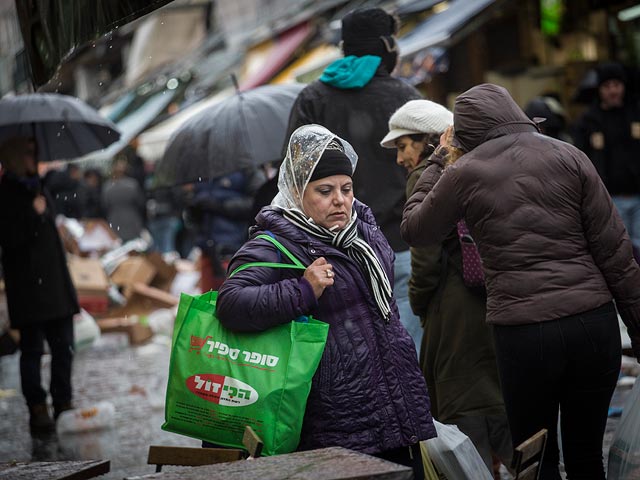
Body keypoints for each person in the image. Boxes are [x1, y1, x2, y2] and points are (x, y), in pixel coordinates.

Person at [401, 83, 640, 480]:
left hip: (526, 335)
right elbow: (616, 254)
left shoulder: (462, 172)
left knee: (536, 458)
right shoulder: (570, 155)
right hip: (593, 326)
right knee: (586, 456)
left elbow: (415, 229)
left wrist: (438, 159)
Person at [216, 124, 436, 478]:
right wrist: (302, 290)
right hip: (339, 420)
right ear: (297, 192)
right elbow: (232, 303)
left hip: (395, 407)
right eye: (325, 190)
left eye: (346, 189)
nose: (340, 200)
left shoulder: (360, 230)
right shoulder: (276, 243)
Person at [381, 99, 512, 475]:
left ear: (429, 140)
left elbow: (424, 256)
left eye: (404, 145)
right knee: (501, 407)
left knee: (463, 417)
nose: (400, 157)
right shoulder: (480, 164)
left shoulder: (426, 175)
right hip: (497, 302)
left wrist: (420, 303)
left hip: (453, 311)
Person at [285, 8, 424, 350]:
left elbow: (292, 177)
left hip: (334, 252)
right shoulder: (408, 100)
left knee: (352, 356)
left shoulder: (312, 98)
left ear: (345, 47)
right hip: (402, 242)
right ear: (386, 46)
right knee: (405, 349)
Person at [0, 136, 79, 433]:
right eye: (30, 153)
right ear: (14, 157)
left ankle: (63, 401)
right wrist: (32, 216)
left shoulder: (40, 185)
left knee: (64, 348)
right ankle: (37, 407)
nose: (35, 158)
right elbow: (9, 239)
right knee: (32, 350)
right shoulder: (6, 192)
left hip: (55, 287)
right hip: (29, 289)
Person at [573, 62, 640, 258]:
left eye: (617, 85)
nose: (613, 91)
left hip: (638, 195)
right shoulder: (589, 122)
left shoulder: (636, 113)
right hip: (610, 198)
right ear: (600, 89)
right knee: (621, 249)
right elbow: (579, 157)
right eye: (607, 86)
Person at [186, 168, 265, 292]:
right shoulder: (204, 171)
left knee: (232, 301)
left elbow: (259, 204)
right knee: (206, 304)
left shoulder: (246, 169)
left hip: (234, 250)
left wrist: (221, 206)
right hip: (207, 249)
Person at [102, 157, 146, 242]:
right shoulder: (132, 184)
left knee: (118, 245)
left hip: (114, 219)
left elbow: (105, 205)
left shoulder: (107, 187)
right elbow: (140, 202)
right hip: (132, 219)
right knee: (134, 245)